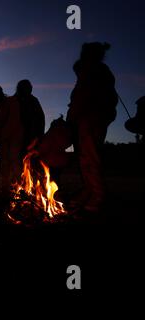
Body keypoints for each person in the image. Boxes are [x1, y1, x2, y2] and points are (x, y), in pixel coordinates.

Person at [67, 42, 118, 212]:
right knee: (84, 156)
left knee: (91, 156)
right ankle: (89, 189)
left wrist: (78, 114)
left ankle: (98, 194)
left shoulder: (96, 72)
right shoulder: (89, 72)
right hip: (84, 119)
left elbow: (88, 96)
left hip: (92, 118)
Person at [0, 83, 24, 198]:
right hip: (2, 142)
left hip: (14, 141)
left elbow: (13, 122)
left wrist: (3, 137)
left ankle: (22, 189)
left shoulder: (12, 102)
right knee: (4, 167)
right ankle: (6, 190)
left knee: (15, 165)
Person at [15, 79, 46, 151]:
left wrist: (40, 135)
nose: (30, 89)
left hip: (32, 138)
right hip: (16, 139)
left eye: (30, 87)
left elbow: (41, 118)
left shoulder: (34, 100)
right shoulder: (13, 101)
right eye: (27, 87)